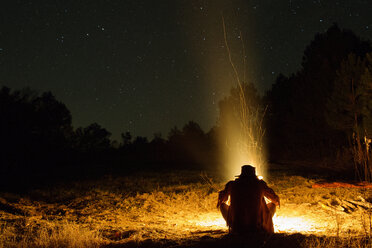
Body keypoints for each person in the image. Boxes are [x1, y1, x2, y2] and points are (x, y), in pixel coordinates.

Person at [217, 165, 280, 234]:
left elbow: (221, 200)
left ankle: (234, 226)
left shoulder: (232, 184)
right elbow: (275, 200)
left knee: (222, 206)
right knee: (272, 205)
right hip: (256, 224)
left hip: (237, 224)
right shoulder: (260, 184)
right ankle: (263, 225)